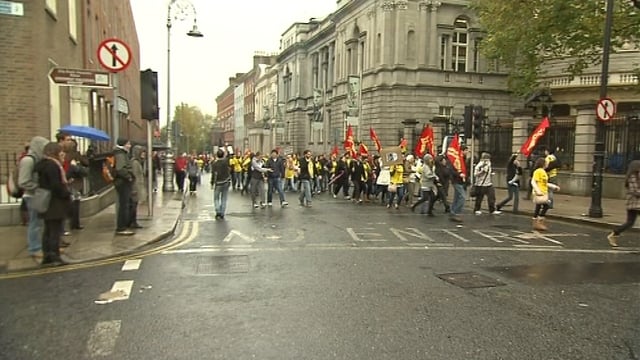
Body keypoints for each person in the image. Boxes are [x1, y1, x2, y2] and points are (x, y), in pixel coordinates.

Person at [35, 142, 72, 266]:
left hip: (47, 201)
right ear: (55, 152)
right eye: (60, 151)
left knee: (48, 230)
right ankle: (55, 256)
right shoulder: (53, 165)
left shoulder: (43, 164)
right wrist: (66, 193)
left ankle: (47, 256)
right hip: (54, 203)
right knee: (54, 231)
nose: (62, 153)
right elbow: (56, 185)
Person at [18, 136, 50, 260]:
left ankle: (40, 246)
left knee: (40, 222)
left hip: (37, 195)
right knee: (34, 223)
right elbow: (23, 182)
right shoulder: (28, 160)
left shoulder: (38, 159)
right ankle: (34, 248)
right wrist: (38, 187)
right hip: (31, 196)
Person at [607, 160, 640, 247]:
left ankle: (613, 234)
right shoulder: (632, 177)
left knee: (630, 222)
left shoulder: (636, 176)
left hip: (635, 204)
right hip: (635, 203)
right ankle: (613, 234)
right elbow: (635, 191)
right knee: (630, 222)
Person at [530, 157, 560, 231]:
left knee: (538, 207)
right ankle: (539, 222)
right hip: (539, 193)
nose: (548, 164)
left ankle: (536, 223)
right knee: (546, 206)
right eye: (546, 163)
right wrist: (537, 191)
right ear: (543, 164)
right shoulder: (538, 171)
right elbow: (533, 181)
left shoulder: (543, 172)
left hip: (543, 192)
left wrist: (554, 187)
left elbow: (545, 183)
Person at [113, 138, 135, 236]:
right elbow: (120, 169)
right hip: (123, 182)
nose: (129, 146)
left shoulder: (121, 153)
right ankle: (121, 228)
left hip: (122, 182)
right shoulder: (120, 154)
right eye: (128, 144)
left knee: (125, 204)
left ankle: (123, 226)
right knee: (124, 205)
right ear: (123, 144)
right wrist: (129, 177)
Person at [210, 149, 232, 219]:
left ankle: (218, 211)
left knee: (216, 198)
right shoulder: (226, 162)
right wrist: (227, 149)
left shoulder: (214, 164)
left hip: (218, 183)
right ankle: (222, 213)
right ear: (223, 155)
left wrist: (212, 183)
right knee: (224, 198)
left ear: (217, 155)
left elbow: (213, 174)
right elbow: (229, 155)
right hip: (226, 182)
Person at [129, 146, 147, 229]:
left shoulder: (138, 162)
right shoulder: (135, 163)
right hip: (135, 187)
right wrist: (134, 189)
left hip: (137, 186)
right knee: (133, 205)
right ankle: (132, 222)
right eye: (142, 152)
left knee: (135, 205)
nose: (144, 154)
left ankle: (133, 222)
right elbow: (134, 176)